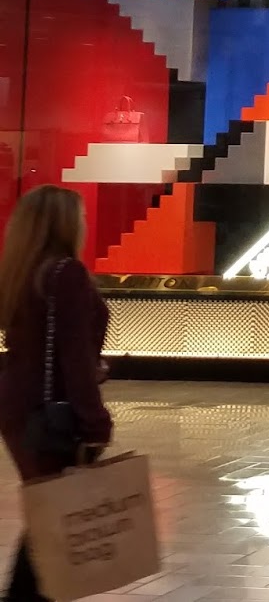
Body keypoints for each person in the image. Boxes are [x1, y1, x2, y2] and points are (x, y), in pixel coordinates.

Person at [0, 186, 111, 601]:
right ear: (62, 223)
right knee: (55, 518)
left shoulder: (21, 272)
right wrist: (96, 422)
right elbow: (73, 357)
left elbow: (30, 348)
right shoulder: (67, 273)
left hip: (19, 409)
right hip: (53, 415)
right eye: (79, 216)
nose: (84, 223)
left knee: (49, 513)